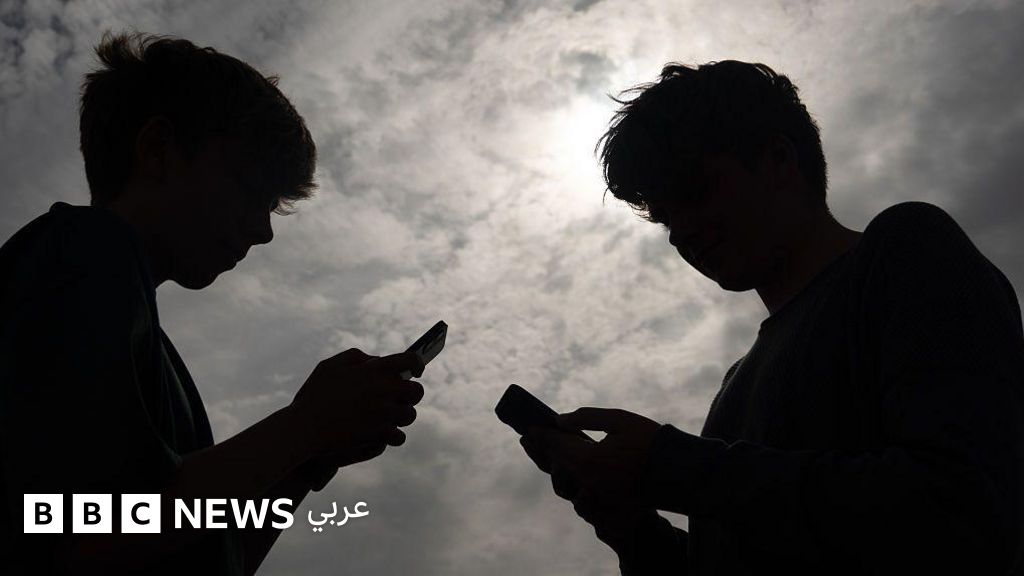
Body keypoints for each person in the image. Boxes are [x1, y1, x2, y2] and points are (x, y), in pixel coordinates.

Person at [519, 60, 1024, 575]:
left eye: (694, 192)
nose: (680, 233)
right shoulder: (735, 384)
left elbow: (965, 511)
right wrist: (631, 527)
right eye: (666, 217)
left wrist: (671, 464)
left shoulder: (905, 250)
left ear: (779, 160)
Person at [0, 31, 424, 575]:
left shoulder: (145, 338)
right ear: (159, 151)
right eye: (252, 189)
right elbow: (82, 534)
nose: (264, 231)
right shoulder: (84, 247)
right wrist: (306, 425)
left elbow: (201, 555)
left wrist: (307, 459)